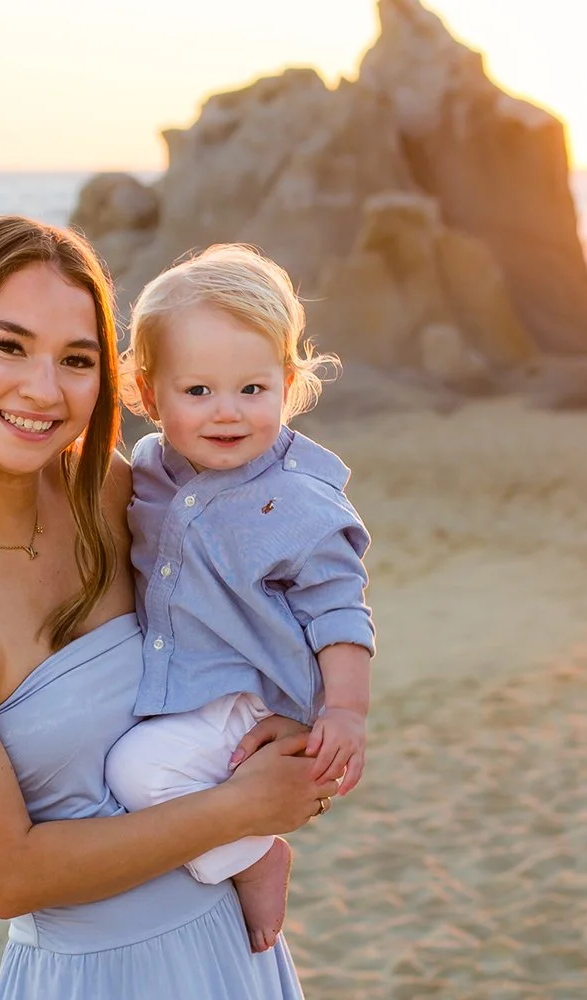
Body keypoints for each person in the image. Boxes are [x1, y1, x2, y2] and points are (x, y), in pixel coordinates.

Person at [0, 216, 335, 999]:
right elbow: (9, 876)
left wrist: (291, 716)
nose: (44, 391)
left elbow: (271, 589)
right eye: (10, 346)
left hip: (235, 953)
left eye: (76, 360)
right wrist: (238, 813)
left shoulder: (114, 491)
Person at [104, 244, 375, 953]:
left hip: (247, 700)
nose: (227, 414)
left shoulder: (296, 499)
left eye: (252, 390)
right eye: (198, 392)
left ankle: (256, 856)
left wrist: (343, 711)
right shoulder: (150, 469)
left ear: (285, 383)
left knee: (136, 773)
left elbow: (339, 609)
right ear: (146, 391)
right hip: (182, 683)